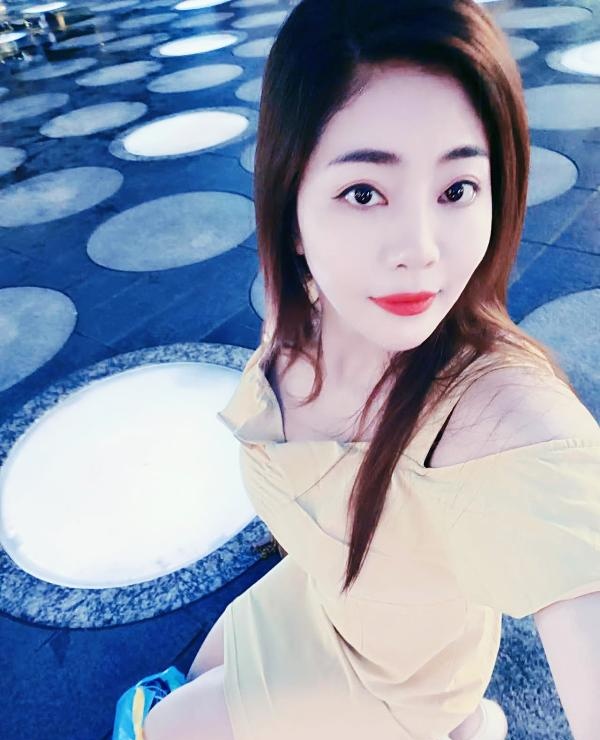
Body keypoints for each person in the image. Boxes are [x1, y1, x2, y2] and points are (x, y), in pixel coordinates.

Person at [141, 0, 600, 738]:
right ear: (293, 211)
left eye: (457, 189)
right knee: (194, 678)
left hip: (398, 681)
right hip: (319, 595)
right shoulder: (310, 310)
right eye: (363, 193)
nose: (420, 249)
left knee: (166, 727)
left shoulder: (498, 412)